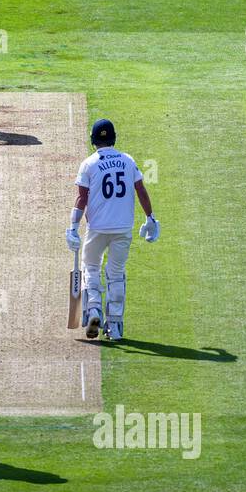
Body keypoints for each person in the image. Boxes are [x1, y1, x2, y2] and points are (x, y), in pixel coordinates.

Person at [66, 118, 160, 341]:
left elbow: (82, 198)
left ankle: (95, 311)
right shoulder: (128, 161)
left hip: (98, 228)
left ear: (93, 140)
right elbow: (141, 190)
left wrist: (72, 227)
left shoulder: (89, 163)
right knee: (116, 274)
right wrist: (150, 218)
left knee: (90, 267)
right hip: (123, 228)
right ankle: (115, 326)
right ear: (114, 138)